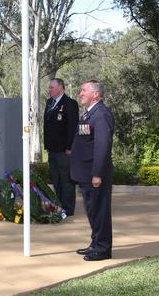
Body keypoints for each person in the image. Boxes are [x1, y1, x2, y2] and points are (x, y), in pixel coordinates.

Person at [70, 79, 115, 261]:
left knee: (100, 210)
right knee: (92, 210)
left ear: (95, 94)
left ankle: (103, 248)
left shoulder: (101, 114)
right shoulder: (89, 114)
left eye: (83, 91)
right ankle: (96, 243)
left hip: (95, 174)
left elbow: (102, 147)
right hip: (86, 173)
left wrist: (97, 173)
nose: (80, 94)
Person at [43, 78, 79, 215]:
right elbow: (47, 126)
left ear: (60, 88)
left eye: (51, 87)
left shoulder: (70, 103)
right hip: (52, 149)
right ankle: (58, 205)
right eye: (49, 87)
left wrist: (70, 147)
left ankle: (68, 209)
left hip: (65, 150)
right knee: (56, 179)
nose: (49, 90)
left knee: (66, 180)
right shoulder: (49, 103)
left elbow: (72, 128)